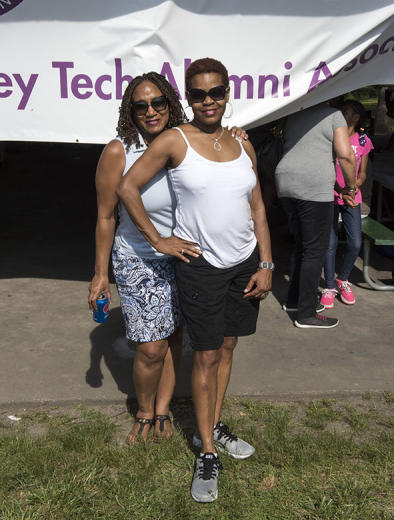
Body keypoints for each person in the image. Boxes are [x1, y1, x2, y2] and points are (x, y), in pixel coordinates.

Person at [117, 57, 273, 503]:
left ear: (227, 93)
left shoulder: (242, 143)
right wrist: (158, 239)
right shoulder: (174, 140)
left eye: (216, 92)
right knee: (205, 355)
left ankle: (214, 424)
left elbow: (258, 206)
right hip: (201, 266)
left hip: (244, 263)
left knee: (228, 346)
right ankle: (207, 451)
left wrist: (266, 263)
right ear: (188, 98)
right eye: (199, 94)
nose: (209, 101)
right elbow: (127, 188)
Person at [88, 72, 186, 444]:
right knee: (150, 346)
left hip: (183, 255)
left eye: (158, 102)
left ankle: (163, 409)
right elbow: (105, 216)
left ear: (170, 104)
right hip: (137, 259)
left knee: (173, 338)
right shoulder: (120, 151)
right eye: (140, 105)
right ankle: (144, 411)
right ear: (130, 112)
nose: (150, 111)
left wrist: (236, 134)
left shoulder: (185, 141)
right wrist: (100, 274)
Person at [275, 102, 356, 329]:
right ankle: (306, 314)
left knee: (302, 246)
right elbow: (346, 155)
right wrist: (351, 187)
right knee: (314, 250)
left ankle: (295, 302)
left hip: (286, 182)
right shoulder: (334, 115)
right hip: (313, 186)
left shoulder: (293, 114)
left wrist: (340, 189)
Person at [321, 100, 373, 307]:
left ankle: (342, 279)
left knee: (355, 243)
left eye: (346, 112)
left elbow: (362, 174)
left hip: (352, 197)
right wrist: (339, 190)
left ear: (356, 118)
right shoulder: (331, 137)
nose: (341, 114)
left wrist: (352, 188)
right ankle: (329, 286)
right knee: (330, 243)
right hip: (331, 195)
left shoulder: (363, 140)